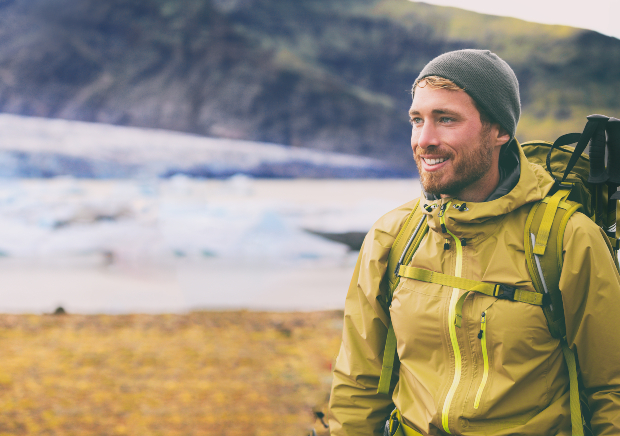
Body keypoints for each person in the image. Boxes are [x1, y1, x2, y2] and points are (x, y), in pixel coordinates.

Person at [327, 49, 620, 436]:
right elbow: (359, 383)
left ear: (499, 131)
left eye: (446, 119)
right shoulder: (393, 236)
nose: (425, 140)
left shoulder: (566, 238)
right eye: (417, 120)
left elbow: (611, 388)